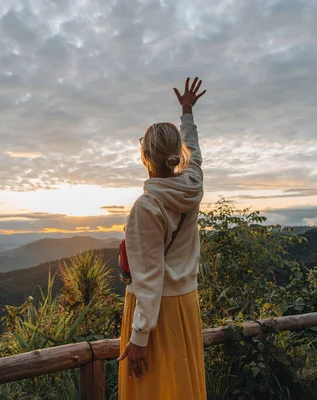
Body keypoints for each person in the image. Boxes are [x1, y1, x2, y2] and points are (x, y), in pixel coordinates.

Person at [117, 77, 207, 399]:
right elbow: (194, 153)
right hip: (185, 303)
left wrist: (140, 336)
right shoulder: (192, 185)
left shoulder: (147, 206)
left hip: (155, 314)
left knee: (152, 388)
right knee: (182, 384)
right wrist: (187, 113)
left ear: (146, 158)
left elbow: (149, 276)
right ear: (176, 156)